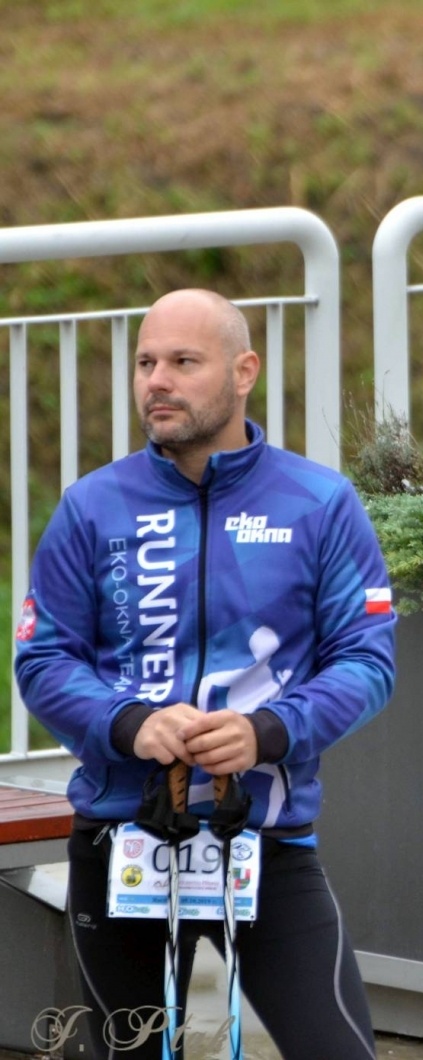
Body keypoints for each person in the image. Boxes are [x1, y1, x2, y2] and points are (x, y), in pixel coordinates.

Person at [15, 288, 396, 1059]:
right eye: (146, 362)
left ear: (244, 370)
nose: (158, 380)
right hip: (124, 843)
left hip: (266, 839)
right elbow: (43, 659)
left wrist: (270, 731)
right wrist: (129, 721)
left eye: (184, 362)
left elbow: (367, 659)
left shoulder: (320, 502)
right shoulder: (92, 507)